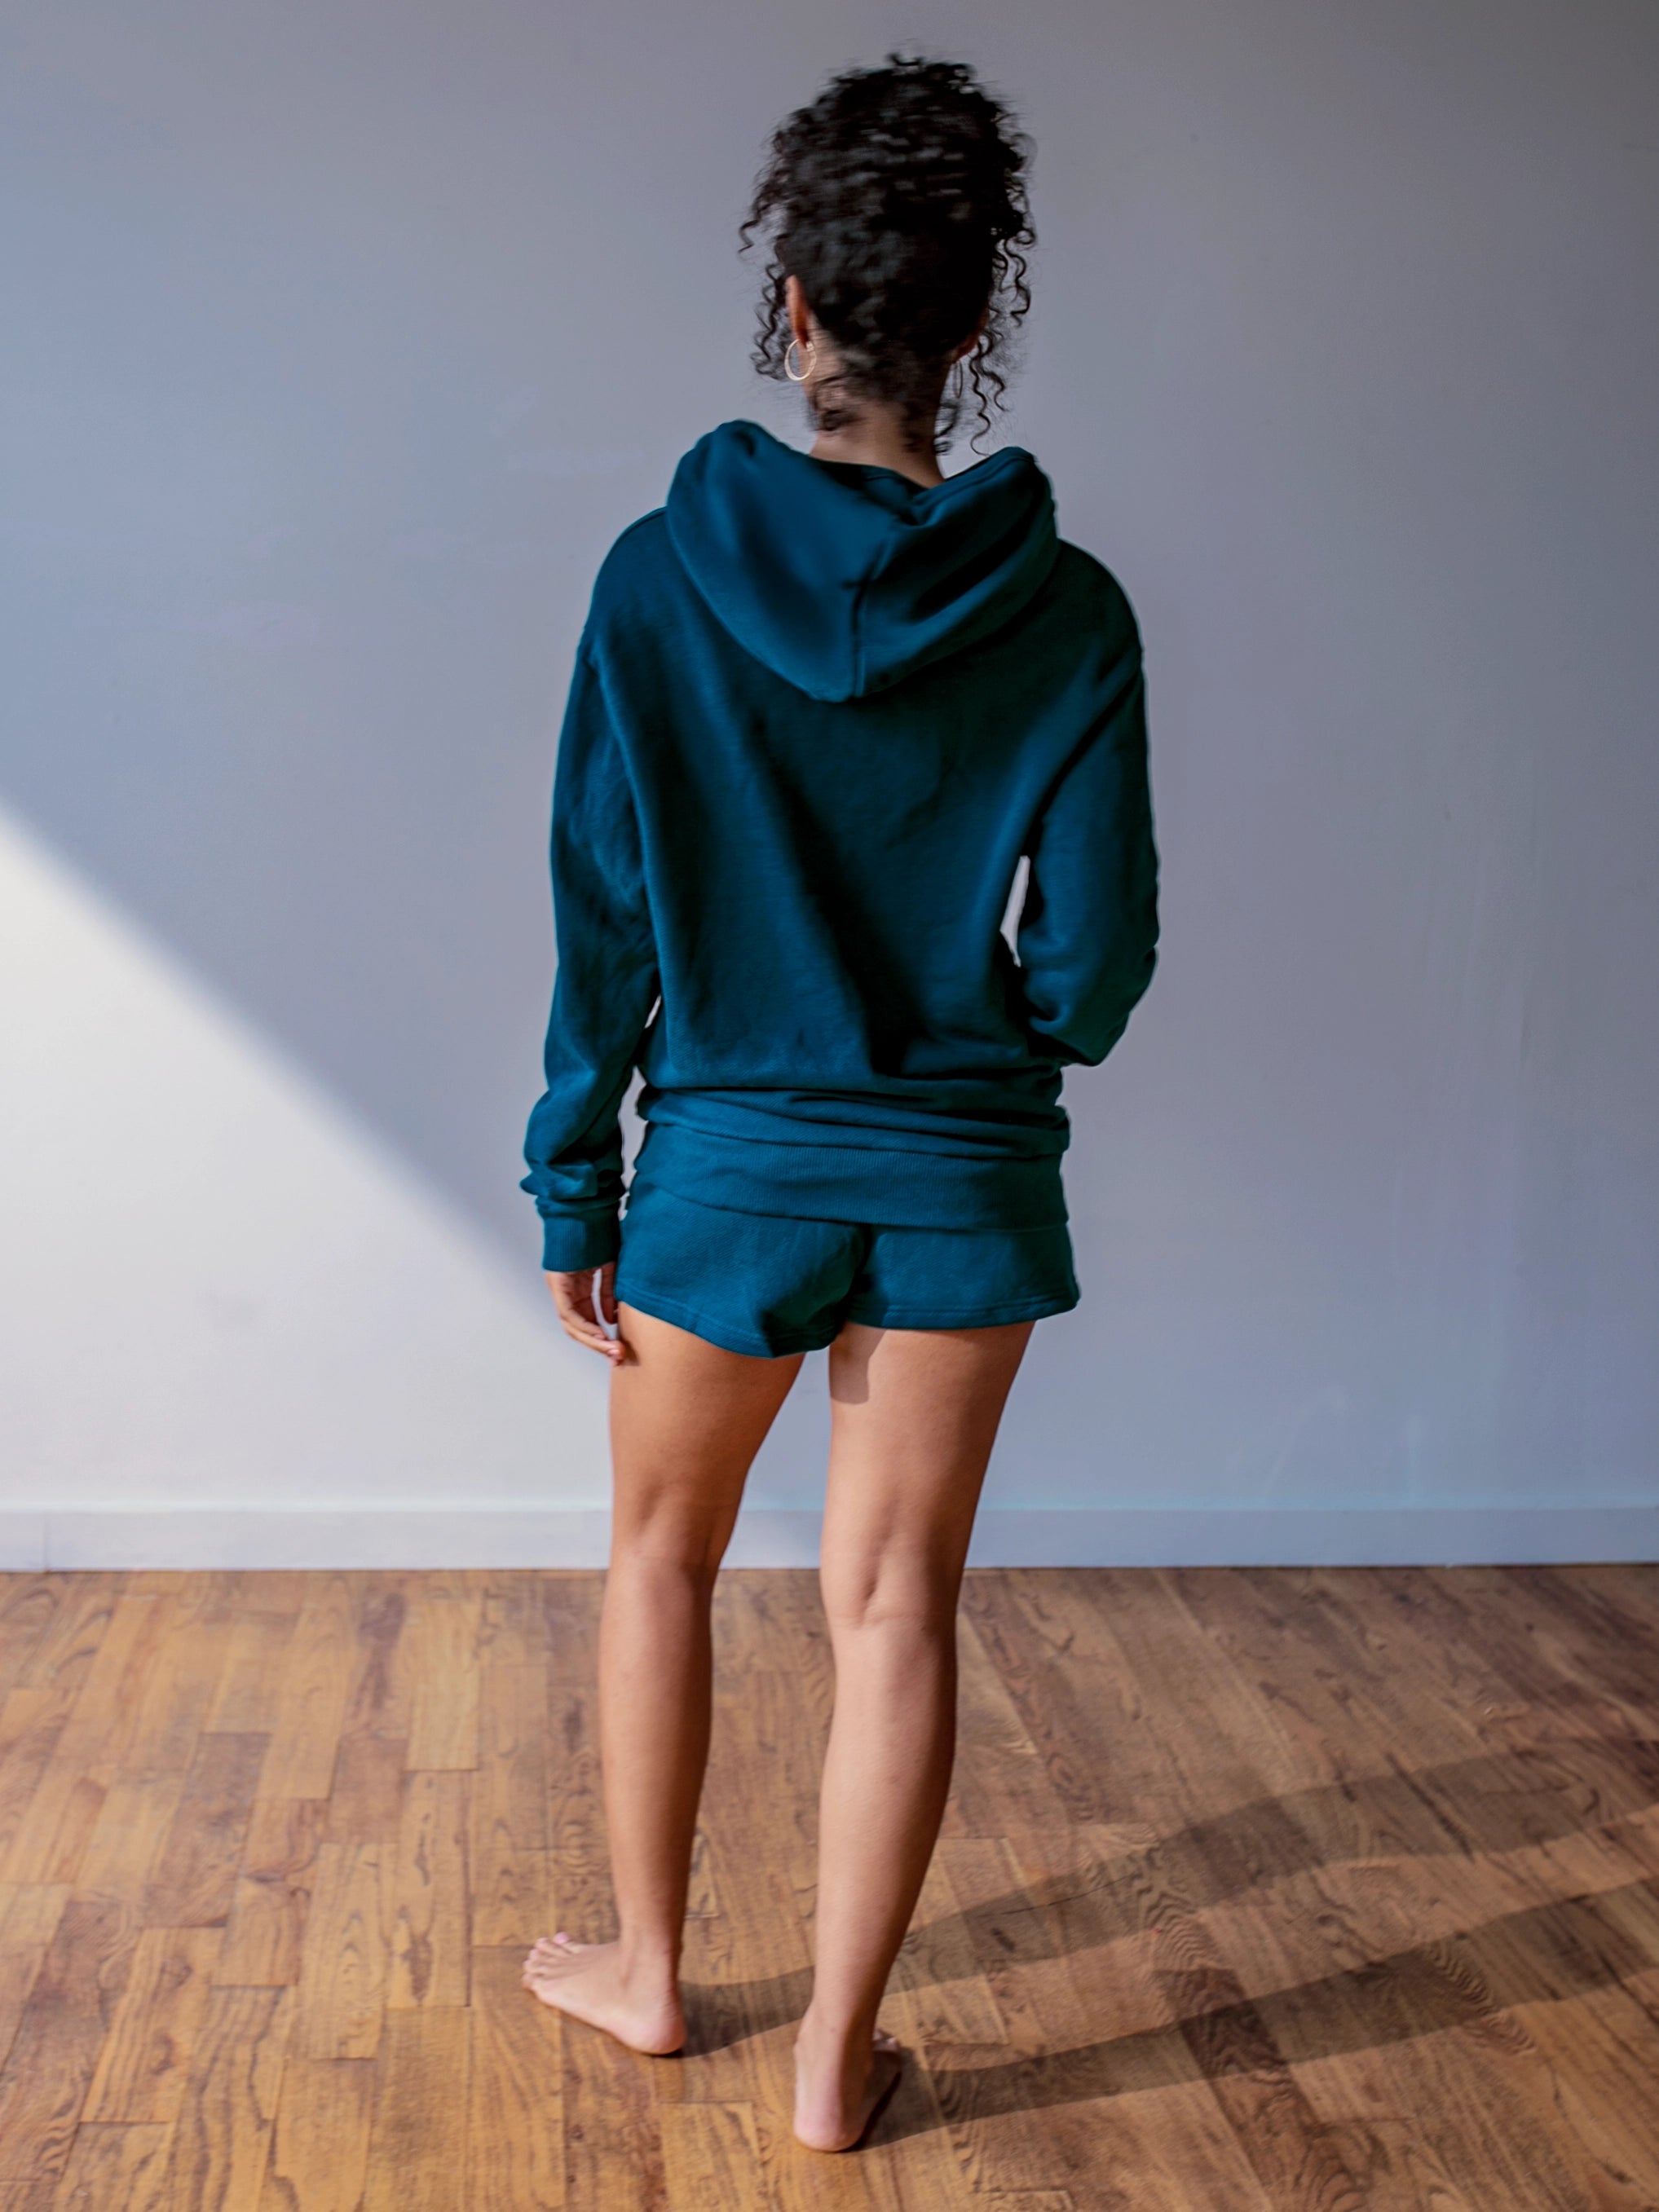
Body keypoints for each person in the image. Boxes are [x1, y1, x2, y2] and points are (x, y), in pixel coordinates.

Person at [517, 52, 1158, 2154]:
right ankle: (833, 2061)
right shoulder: (1067, 611)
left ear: (791, 306)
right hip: (963, 1180)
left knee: (660, 1562)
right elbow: (1094, 969)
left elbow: (604, 906)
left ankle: (650, 1970)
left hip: (720, 1165)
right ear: (974, 331)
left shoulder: (651, 574)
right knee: (894, 1609)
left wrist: (568, 1180)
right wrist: (984, 1035)